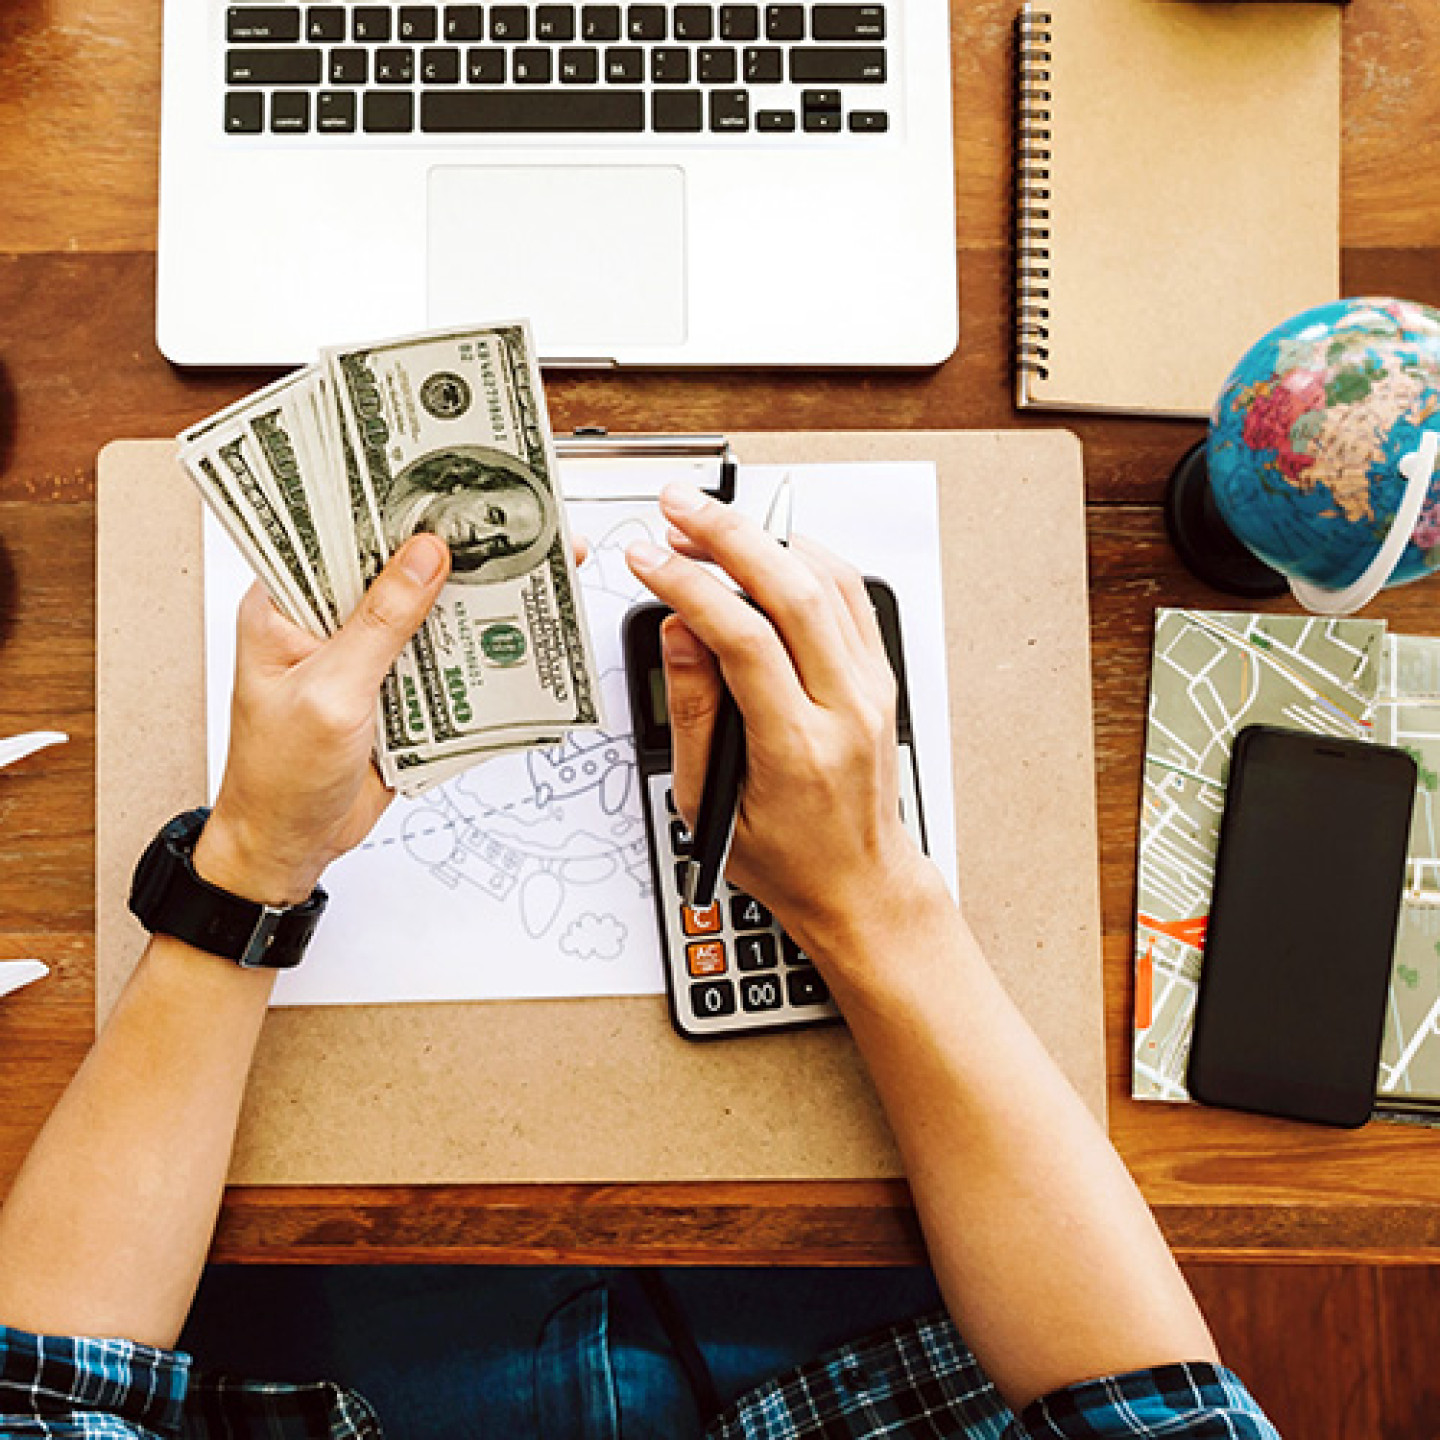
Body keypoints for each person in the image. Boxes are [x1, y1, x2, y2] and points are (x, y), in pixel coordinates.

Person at [0, 483, 1280, 1439]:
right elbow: (1153, 1408)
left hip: (337, 1350)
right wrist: (875, 906)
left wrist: (249, 869)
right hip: (880, 1331)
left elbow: (38, 1395)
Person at [383, 447, 557, 581]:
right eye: (493, 516)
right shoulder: (386, 500)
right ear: (464, 485)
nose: (481, 536)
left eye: (498, 544)